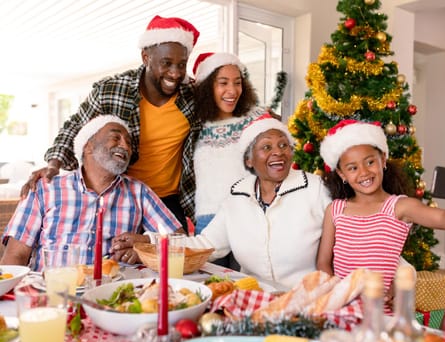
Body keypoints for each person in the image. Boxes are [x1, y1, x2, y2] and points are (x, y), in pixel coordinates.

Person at [20, 15, 201, 232]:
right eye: (167, 63)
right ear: (146, 57)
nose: (175, 73)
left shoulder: (193, 93)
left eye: (182, 65)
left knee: (174, 260)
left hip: (168, 199)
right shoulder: (112, 89)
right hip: (121, 196)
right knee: (117, 262)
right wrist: (53, 165)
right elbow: (75, 126)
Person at [316, 120, 445, 295]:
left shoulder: (400, 206)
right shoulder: (335, 210)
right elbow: (323, 262)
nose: (363, 172)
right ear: (341, 174)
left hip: (380, 311)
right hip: (341, 306)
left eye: (370, 162)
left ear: (383, 159)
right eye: (353, 168)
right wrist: (335, 293)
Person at [1, 115, 182, 271]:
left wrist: (145, 244)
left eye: (128, 143)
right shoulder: (45, 188)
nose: (125, 146)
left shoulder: (138, 192)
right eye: (116, 138)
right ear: (88, 146)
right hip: (53, 295)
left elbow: (179, 239)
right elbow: (15, 256)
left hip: (114, 297)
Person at [179, 114, 332, 289]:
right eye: (267, 147)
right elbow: (205, 245)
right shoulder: (237, 196)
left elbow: (344, 241)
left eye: (283, 145)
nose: (278, 152)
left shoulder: (316, 189)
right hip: (254, 298)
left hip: (308, 298)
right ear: (249, 160)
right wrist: (152, 242)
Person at [192, 52, 265, 234]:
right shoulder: (193, 124)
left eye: (238, 82)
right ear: (207, 87)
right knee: (208, 264)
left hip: (248, 216)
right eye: (223, 83)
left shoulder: (255, 119)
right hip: (207, 219)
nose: (232, 91)